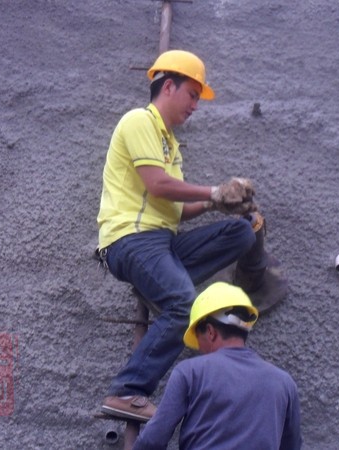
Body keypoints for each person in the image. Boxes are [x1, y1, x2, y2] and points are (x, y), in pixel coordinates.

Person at [96, 49, 264, 422]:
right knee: (183, 305)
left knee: (241, 234)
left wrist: (217, 204)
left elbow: (176, 210)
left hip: (162, 243)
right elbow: (158, 185)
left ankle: (161, 287)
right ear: (168, 86)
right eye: (192, 94)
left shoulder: (170, 146)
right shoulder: (139, 121)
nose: (195, 106)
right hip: (130, 240)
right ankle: (127, 391)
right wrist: (214, 191)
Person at [133, 282, 302, 450]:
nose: (199, 348)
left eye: (198, 339)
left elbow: (152, 441)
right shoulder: (284, 382)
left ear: (210, 331)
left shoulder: (190, 372)